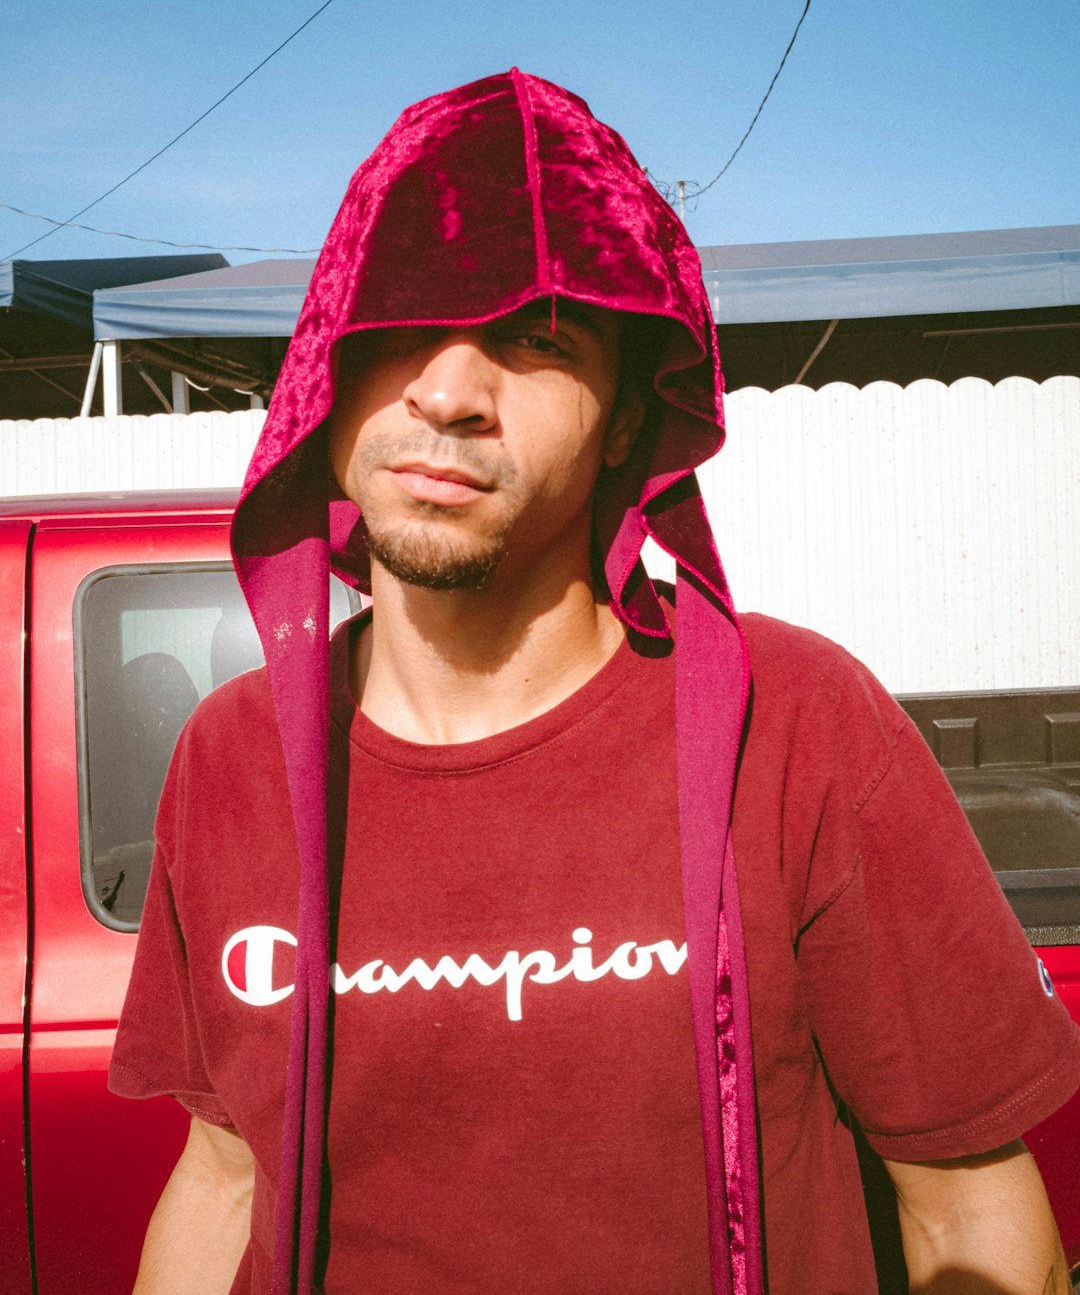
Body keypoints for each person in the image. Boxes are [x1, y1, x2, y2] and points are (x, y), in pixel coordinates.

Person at [111, 70, 1080, 1295]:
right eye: (404, 322)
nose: (450, 392)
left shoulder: (792, 725)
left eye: (535, 337)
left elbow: (970, 1218)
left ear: (630, 415)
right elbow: (224, 1175)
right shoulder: (232, 753)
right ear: (328, 371)